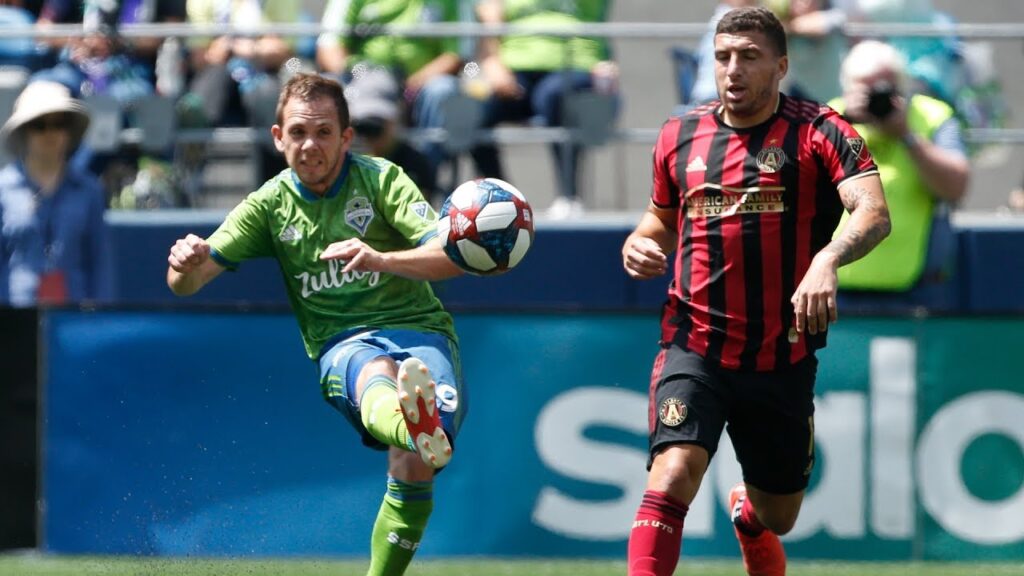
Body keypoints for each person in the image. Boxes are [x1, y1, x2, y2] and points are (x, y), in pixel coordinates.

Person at [620, 8, 890, 576]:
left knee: (779, 513)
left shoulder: (820, 129)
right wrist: (639, 244)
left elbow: (873, 211)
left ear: (781, 65)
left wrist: (829, 257)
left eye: (748, 57)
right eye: (722, 57)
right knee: (672, 472)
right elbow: (659, 220)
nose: (733, 70)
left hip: (782, 353)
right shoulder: (679, 134)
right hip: (694, 342)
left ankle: (748, 516)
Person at [165, 73, 465, 576]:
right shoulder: (268, 204)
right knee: (380, 382)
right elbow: (186, 284)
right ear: (277, 137)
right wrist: (183, 262)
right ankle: (413, 421)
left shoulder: (382, 180)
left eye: (324, 132)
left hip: (419, 329)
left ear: (346, 138)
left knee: (420, 463)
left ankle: (418, 429)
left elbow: (450, 257)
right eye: (299, 132)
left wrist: (379, 260)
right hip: (343, 343)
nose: (311, 145)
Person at [830, 40, 969, 302]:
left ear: (902, 83)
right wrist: (845, 122)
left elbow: (956, 188)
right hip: (838, 285)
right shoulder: (831, 117)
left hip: (915, 289)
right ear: (848, 87)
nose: (876, 97)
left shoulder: (932, 116)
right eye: (865, 88)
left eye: (883, 87)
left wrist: (907, 136)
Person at [471, 0, 619, 219]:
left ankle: (569, 197)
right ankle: (500, 201)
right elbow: (488, 24)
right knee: (472, 109)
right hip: (513, 73)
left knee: (552, 95)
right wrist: (492, 62)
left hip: (576, 68)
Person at [316, 0, 463, 184]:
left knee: (444, 90)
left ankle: (422, 183)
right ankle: (338, 185)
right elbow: (329, 47)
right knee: (327, 90)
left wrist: (412, 84)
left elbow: (455, 55)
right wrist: (361, 78)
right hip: (362, 82)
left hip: (420, 87)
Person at [0, 80, 113, 306]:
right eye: (39, 125)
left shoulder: (89, 190)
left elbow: (100, 262)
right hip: (14, 319)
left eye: (58, 124)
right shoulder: (3, 189)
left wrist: (102, 319)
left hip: (74, 320)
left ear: (69, 131)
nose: (50, 133)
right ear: (24, 132)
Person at [347, 68, 441, 206]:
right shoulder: (344, 162)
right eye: (362, 124)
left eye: (378, 122)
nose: (370, 133)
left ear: (397, 117)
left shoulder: (416, 163)